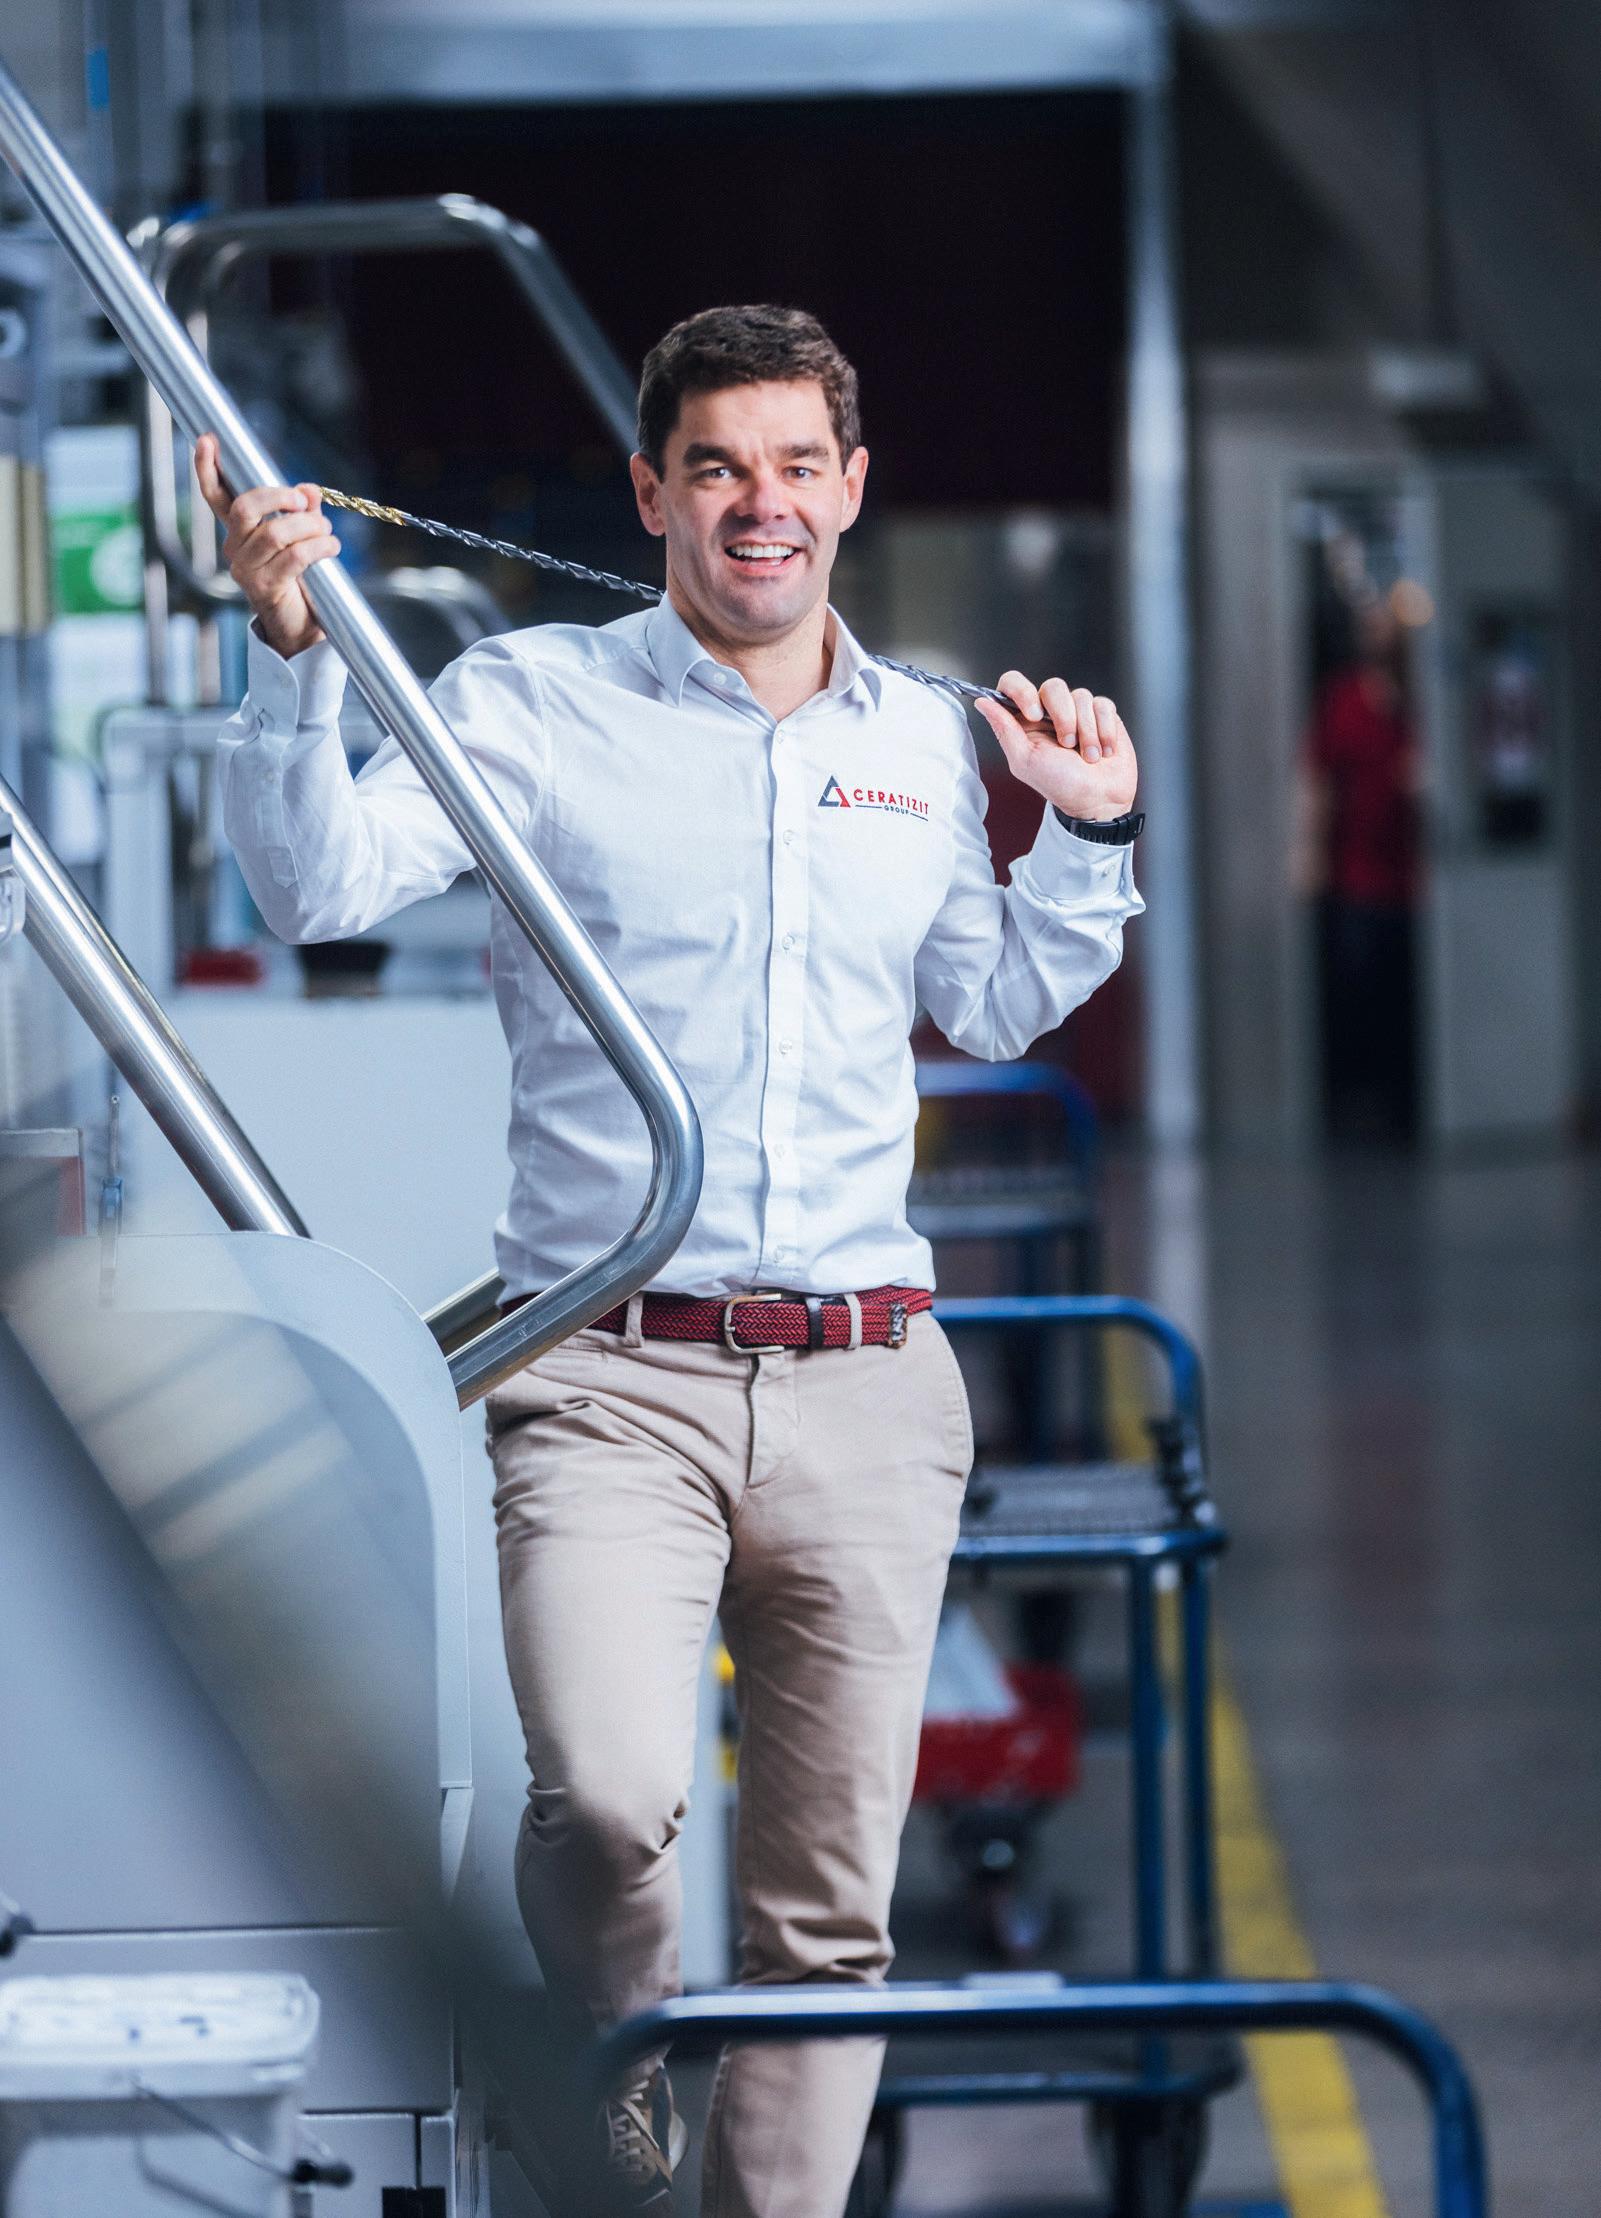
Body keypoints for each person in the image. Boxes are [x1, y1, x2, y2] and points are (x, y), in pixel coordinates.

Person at [198, 303, 1144, 2218]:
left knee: (827, 1921)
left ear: (851, 488)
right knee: (613, 1797)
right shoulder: (536, 703)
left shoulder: (924, 737)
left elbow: (992, 999)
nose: (758, 503)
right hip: (610, 1374)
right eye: (716, 466)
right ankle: (617, 2150)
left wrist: (1084, 838)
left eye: (795, 466)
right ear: (651, 492)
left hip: (870, 1380)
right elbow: (314, 885)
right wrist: (290, 662)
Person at [1298, 597, 1422, 1142]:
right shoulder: (1344, 699)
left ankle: (1407, 1107)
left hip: (1416, 878)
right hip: (1359, 876)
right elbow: (1317, 780)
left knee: (1410, 996)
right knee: (1360, 994)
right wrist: (1308, 854)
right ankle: (1362, 1107)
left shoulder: (1420, 697)